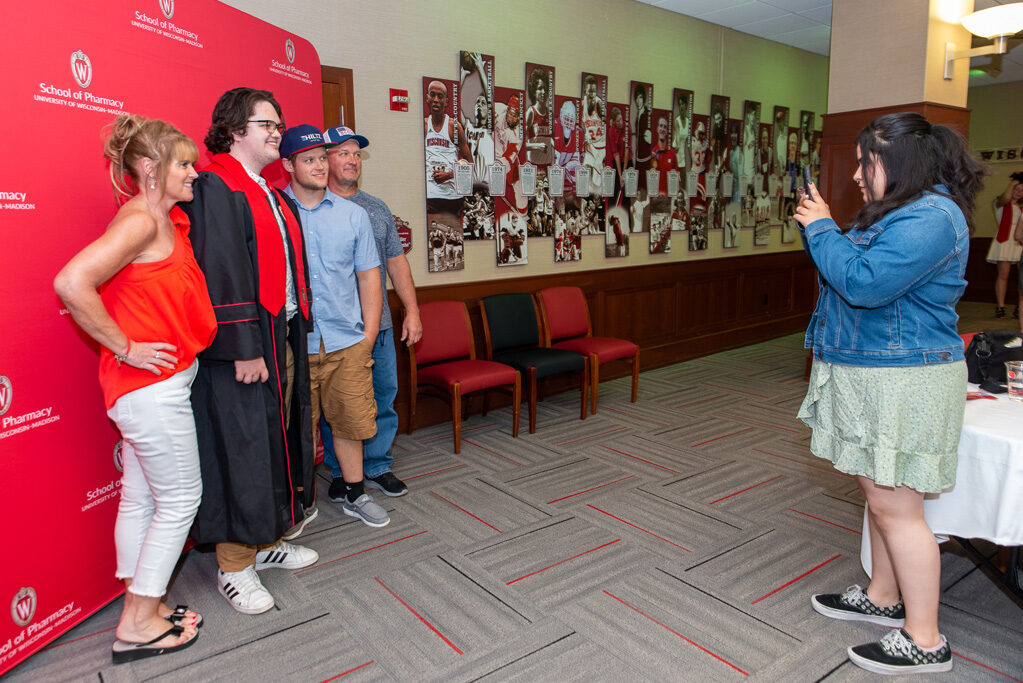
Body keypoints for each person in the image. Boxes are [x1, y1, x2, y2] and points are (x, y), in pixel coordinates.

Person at [794, 112, 984, 676]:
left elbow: (862, 284)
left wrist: (823, 227)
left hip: (903, 380)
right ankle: (883, 598)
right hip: (876, 372)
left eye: (864, 162)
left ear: (897, 163)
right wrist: (824, 233)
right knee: (881, 503)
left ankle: (925, 639)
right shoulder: (900, 213)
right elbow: (847, 275)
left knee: (900, 511)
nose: (855, 174)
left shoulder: (933, 216)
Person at [54, 115, 215, 662]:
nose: (195, 172)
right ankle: (140, 620)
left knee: (144, 497)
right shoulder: (140, 223)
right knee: (179, 499)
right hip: (150, 390)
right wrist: (126, 346)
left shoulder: (162, 220)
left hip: (157, 387)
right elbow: (72, 282)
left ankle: (137, 603)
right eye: (184, 164)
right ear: (150, 168)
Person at [182, 87, 318, 616]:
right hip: (242, 344)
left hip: (276, 332)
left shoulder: (266, 188)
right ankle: (234, 566)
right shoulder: (217, 185)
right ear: (235, 128)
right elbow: (222, 272)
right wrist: (242, 346)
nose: (277, 130)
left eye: (278, 122)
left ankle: (264, 541)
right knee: (241, 446)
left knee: (271, 440)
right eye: (265, 123)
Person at [278, 124, 389, 528]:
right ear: (289, 165)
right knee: (298, 428)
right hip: (296, 344)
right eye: (309, 160)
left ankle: (355, 494)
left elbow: (368, 277)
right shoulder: (276, 212)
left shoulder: (353, 215)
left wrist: (369, 336)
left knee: (351, 421)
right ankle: (301, 500)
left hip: (346, 340)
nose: (321, 166)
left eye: (323, 158)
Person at [318, 125, 423, 499]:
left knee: (382, 395)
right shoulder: (311, 206)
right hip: (336, 330)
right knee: (336, 404)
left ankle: (377, 465)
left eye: (356, 154)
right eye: (343, 153)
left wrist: (411, 311)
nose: (352, 160)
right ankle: (341, 470)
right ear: (323, 159)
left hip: (377, 328)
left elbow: (396, 264)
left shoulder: (376, 208)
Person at [424, 80, 471, 200]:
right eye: (432, 94)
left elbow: (469, 163)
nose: (436, 100)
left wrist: (449, 175)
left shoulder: (454, 126)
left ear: (446, 101)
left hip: (451, 196)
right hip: (428, 195)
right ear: (427, 98)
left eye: (440, 96)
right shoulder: (422, 125)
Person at [986, 173, 1023, 318]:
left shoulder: (1021, 208)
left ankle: (1020, 306)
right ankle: (1000, 306)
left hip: (1020, 242)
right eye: (1016, 189)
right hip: (1005, 241)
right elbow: (1006, 197)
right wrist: (1015, 180)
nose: (1018, 192)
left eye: (1021, 190)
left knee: (1021, 277)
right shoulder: (1000, 203)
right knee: (1003, 275)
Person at [581, 75, 605, 185]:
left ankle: (598, 198)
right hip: (590, 144)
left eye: (594, 91)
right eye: (590, 91)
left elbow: (605, 124)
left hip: (600, 144)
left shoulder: (599, 103)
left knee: (597, 178)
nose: (593, 94)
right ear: (585, 90)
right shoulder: (582, 104)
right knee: (586, 168)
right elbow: (581, 125)